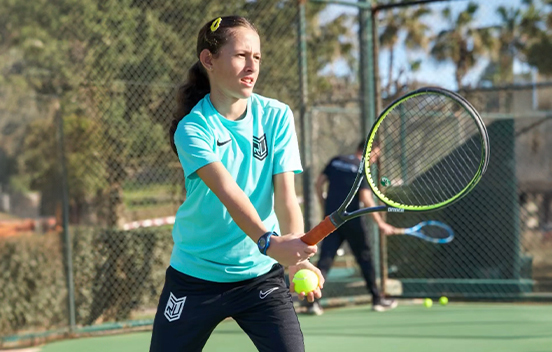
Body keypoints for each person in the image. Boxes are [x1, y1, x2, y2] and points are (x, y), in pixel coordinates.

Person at [150, 16, 324, 352]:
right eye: (241, 55)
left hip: (260, 276)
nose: (251, 66)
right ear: (208, 60)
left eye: (257, 57)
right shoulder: (193, 128)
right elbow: (229, 193)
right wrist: (271, 243)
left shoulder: (277, 115)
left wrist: (297, 257)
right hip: (195, 275)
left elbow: (287, 197)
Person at [305, 139, 399, 315]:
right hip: (352, 220)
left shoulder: (336, 160)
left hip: (332, 220)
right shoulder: (363, 168)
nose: (375, 160)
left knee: (325, 259)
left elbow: (319, 183)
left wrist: (324, 203)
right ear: (370, 151)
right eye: (376, 155)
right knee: (365, 258)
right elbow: (366, 198)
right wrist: (381, 223)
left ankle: (313, 303)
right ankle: (377, 299)